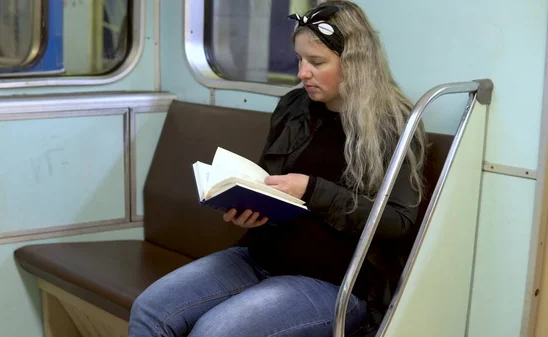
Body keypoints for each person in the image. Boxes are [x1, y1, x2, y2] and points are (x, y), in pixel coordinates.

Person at [129, 1, 426, 336]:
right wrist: (250, 206)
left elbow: (398, 221)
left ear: (355, 64)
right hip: (260, 255)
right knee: (149, 311)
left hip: (332, 281)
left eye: (316, 62)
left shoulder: (394, 124)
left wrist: (312, 190)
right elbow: (270, 178)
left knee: (214, 332)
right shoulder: (294, 106)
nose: (302, 73)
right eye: (300, 59)